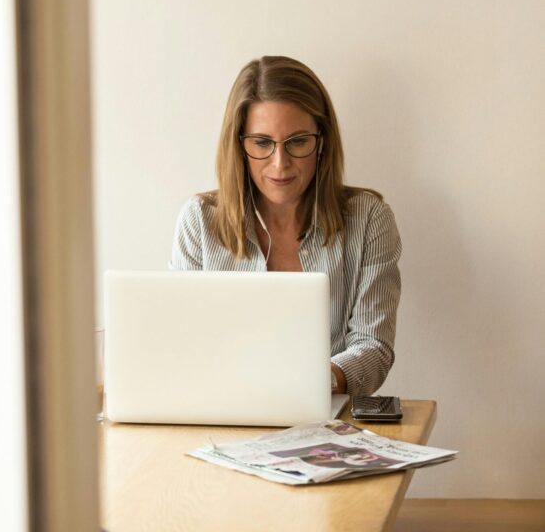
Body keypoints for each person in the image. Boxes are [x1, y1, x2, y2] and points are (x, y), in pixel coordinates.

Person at [171, 55, 401, 396]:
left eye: (297, 142)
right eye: (262, 143)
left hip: (328, 422)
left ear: (321, 141)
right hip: (222, 416)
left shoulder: (368, 219)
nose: (280, 164)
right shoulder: (199, 221)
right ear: (239, 145)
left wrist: (316, 381)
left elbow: (373, 347)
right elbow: (183, 346)